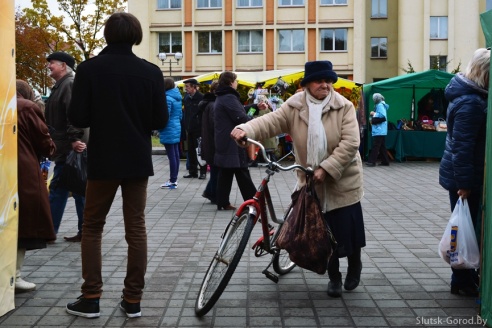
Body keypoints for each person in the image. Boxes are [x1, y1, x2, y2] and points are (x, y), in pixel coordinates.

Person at [231, 60, 365, 298]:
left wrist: (326, 167)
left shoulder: (343, 106)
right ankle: (334, 276)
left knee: (348, 231)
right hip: (312, 182)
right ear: (307, 84)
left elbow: (351, 143)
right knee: (323, 232)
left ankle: (355, 264)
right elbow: (270, 122)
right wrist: (246, 129)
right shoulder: (294, 106)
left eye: (328, 80)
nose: (325, 85)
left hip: (342, 180)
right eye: (319, 81)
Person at [65, 12, 168, 318]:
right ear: (136, 35)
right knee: (136, 228)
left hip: (103, 159)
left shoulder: (89, 69)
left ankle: (91, 296)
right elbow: (160, 120)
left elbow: (78, 118)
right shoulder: (151, 72)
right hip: (137, 159)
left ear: (107, 34)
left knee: (93, 226)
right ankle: (133, 300)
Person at [439, 47, 489, 297]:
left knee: (464, 227)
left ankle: (464, 276)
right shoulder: (472, 101)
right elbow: (463, 147)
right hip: (464, 176)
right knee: (464, 228)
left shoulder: (468, 95)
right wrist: (465, 184)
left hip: (460, 173)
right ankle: (462, 278)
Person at [15, 80, 57, 292]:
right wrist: (52, 149)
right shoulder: (26, 107)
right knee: (21, 220)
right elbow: (43, 140)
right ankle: (14, 275)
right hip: (21, 171)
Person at [44, 51, 88, 242]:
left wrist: (73, 139)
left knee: (63, 188)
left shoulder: (68, 84)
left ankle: (50, 231)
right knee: (72, 189)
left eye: (51, 63)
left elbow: (74, 114)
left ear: (63, 65)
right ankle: (83, 230)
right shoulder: (61, 85)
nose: (48, 66)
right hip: (65, 146)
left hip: (69, 147)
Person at [214, 71, 257, 211]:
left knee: (227, 171)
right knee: (241, 169)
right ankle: (253, 201)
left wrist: (255, 107)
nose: (237, 83)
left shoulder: (224, 96)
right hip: (232, 140)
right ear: (231, 82)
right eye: (236, 80)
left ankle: (222, 201)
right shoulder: (229, 97)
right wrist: (256, 121)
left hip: (225, 138)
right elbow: (241, 117)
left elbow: (239, 111)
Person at [159, 77, 183, 189]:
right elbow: (180, 115)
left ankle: (173, 180)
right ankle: (174, 179)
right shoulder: (177, 97)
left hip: (168, 128)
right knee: (176, 154)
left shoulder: (167, 98)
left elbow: (164, 115)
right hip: (176, 126)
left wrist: (158, 126)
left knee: (171, 155)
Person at [182, 78, 206, 179]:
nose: (185, 89)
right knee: (191, 150)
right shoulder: (187, 98)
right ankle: (193, 172)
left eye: (187, 86)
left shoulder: (201, 98)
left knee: (200, 151)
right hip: (189, 128)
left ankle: (203, 172)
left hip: (199, 129)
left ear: (194, 87)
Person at [200, 81, 219, 204]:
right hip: (214, 142)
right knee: (216, 170)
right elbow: (215, 124)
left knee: (215, 169)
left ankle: (209, 191)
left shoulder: (208, 103)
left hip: (209, 141)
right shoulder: (213, 105)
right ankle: (212, 193)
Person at [366, 93, 390, 167]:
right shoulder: (381, 105)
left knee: (376, 146)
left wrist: (374, 113)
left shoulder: (379, 105)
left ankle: (371, 161)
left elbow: (383, 116)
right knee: (382, 146)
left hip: (379, 129)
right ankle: (385, 161)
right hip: (381, 129)